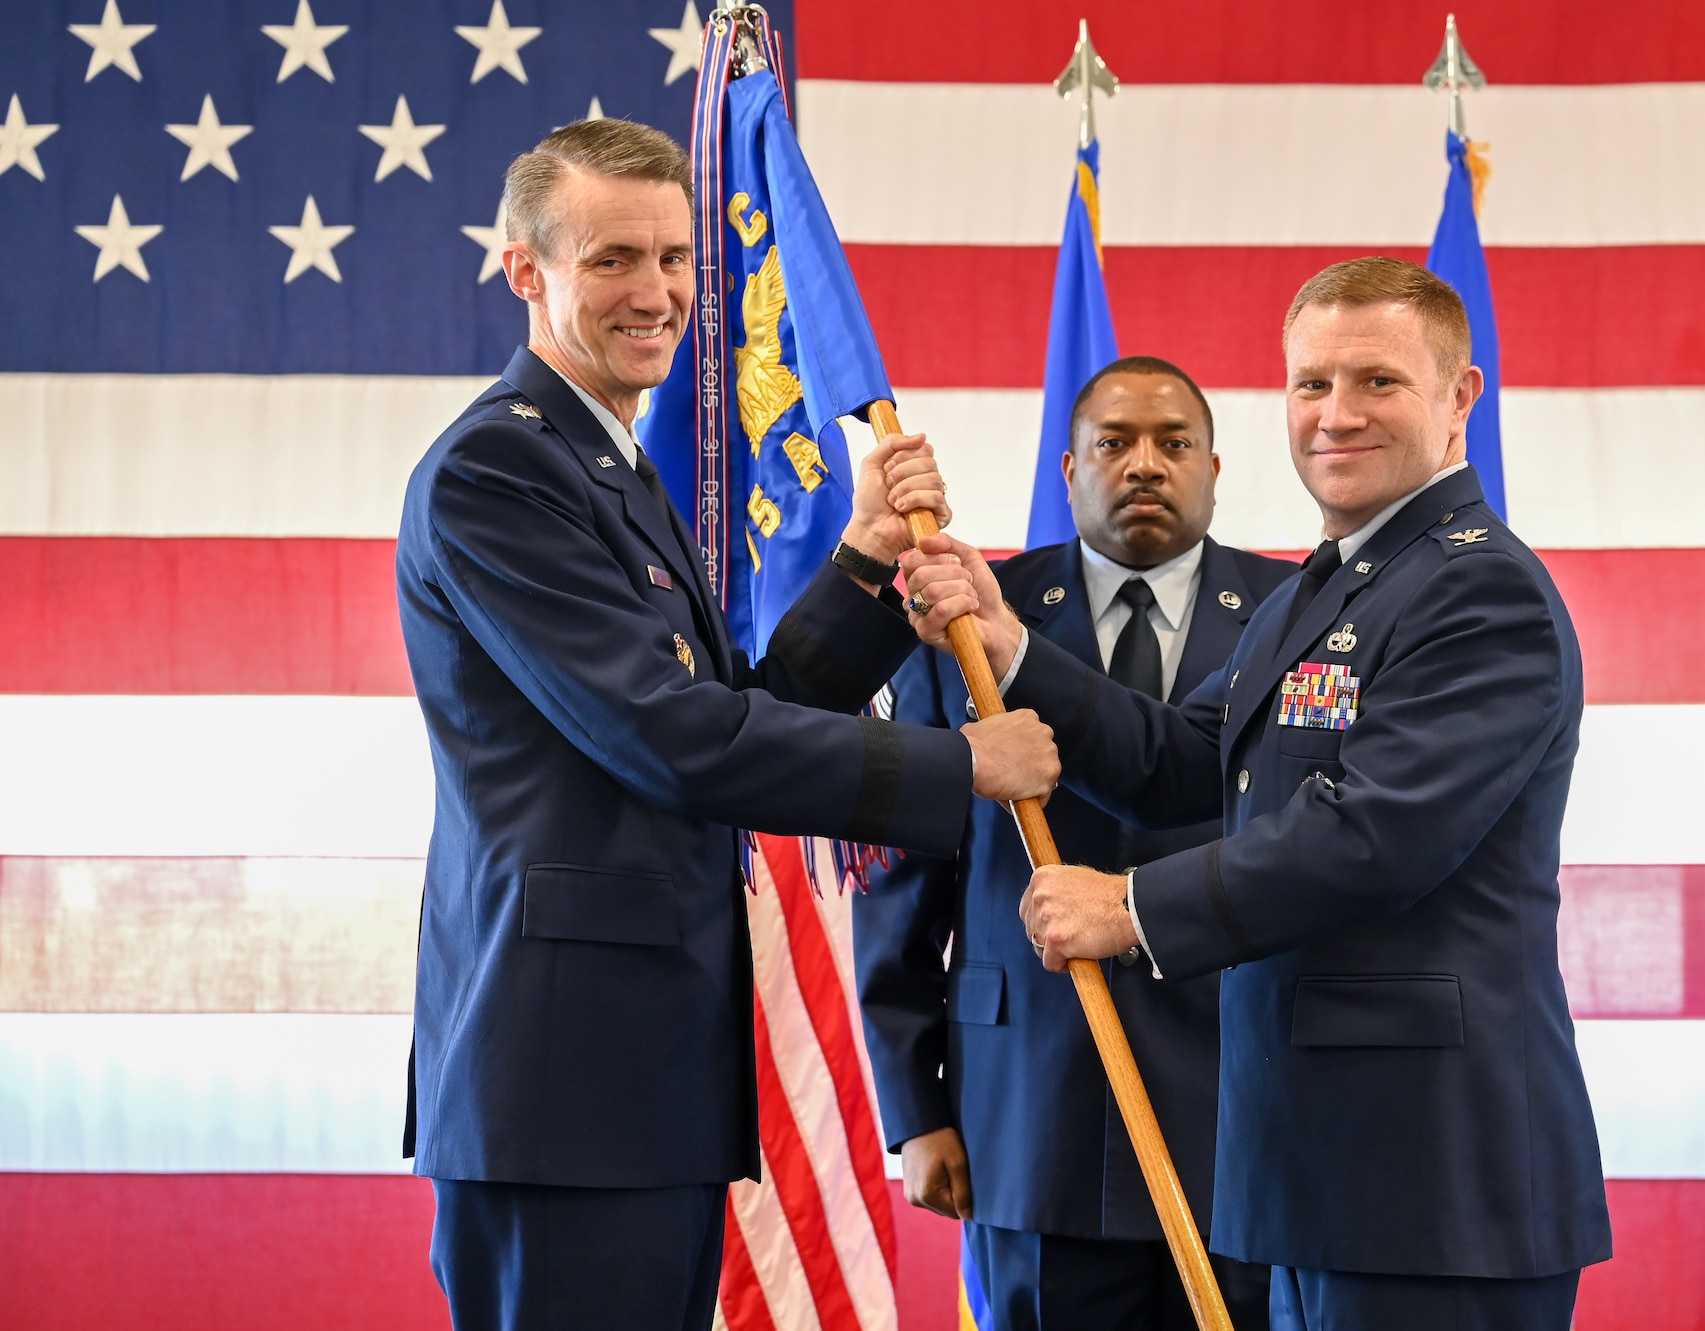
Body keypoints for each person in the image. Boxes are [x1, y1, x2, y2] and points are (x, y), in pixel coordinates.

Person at [394, 118, 1059, 1331]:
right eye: (611, 260)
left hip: (633, 1080)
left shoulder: (613, 466)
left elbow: (728, 708)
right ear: (525, 271)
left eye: (675, 258)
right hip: (563, 1087)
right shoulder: (497, 471)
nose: (655, 294)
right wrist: (957, 762)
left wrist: (861, 565)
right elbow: (672, 738)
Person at [901, 257, 1611, 1331]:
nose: (1337, 414)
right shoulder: (1327, 583)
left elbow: (1376, 833)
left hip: (1427, 1183)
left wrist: (1130, 908)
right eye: (1311, 383)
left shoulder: (1475, 585)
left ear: (1460, 396)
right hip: (1313, 1174)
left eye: (1376, 381)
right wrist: (1011, 646)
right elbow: (1184, 760)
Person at [853, 356, 1289, 1331]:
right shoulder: (964, 618)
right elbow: (901, 883)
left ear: (1214, 468)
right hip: (1027, 1105)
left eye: (1172, 443)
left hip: (1238, 1105)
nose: (1143, 464)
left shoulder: (1290, 621)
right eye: (1113, 442)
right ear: (1067, 468)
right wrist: (913, 1104)